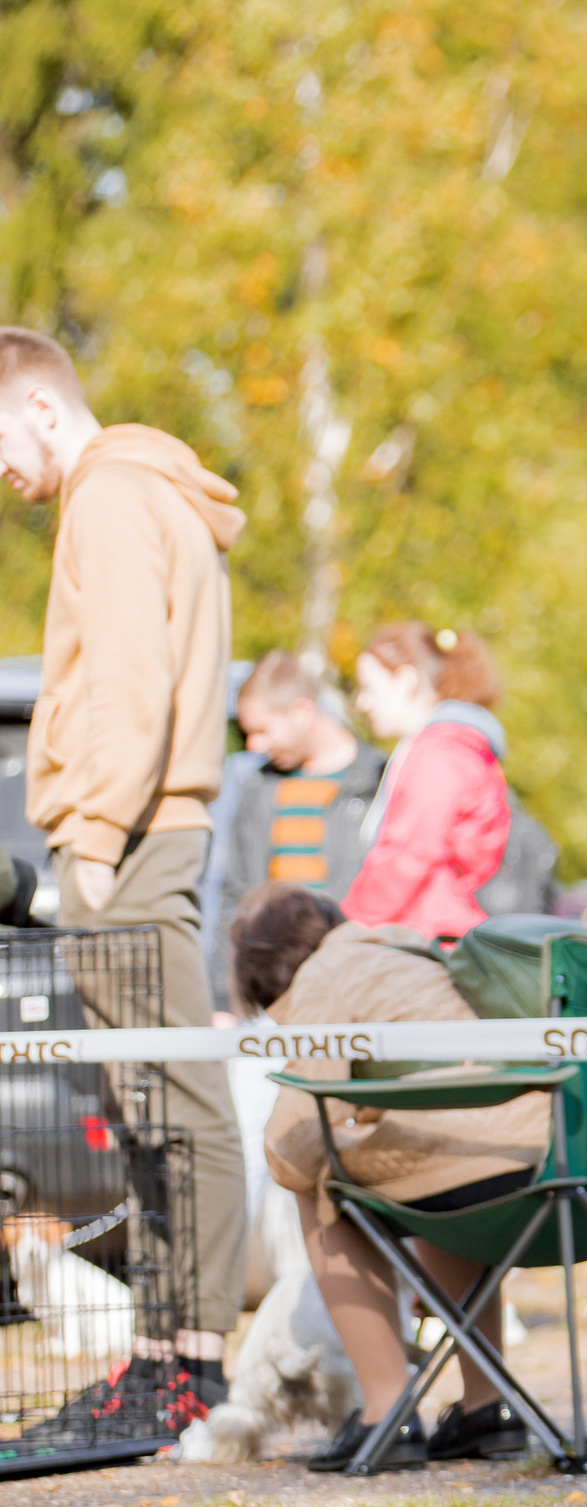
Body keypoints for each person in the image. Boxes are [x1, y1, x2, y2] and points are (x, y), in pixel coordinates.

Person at [0, 326, 246, 1428]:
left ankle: (187, 1370)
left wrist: (94, 835)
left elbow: (130, 683)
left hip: (131, 834)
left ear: (41, 408)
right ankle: (160, 1359)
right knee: (146, 1099)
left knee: (172, 1100)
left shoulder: (109, 495)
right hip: (143, 828)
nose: (2, 474)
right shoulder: (146, 490)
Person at [229, 883, 546, 1470]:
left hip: (465, 1173)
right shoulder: (414, 953)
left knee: (315, 1183)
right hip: (535, 1162)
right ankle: (487, 1403)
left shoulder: (324, 975)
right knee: (432, 1173)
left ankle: (386, 1409)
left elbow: (299, 1132)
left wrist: (288, 1155)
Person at [210, 651, 388, 1014]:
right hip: (273, 992)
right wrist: (224, 1001)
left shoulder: (376, 780)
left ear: (302, 712)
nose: (253, 745)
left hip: (354, 982)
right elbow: (236, 895)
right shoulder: (258, 787)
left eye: (263, 730)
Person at [342, 623, 511, 940]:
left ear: (406, 681)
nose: (362, 703)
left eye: (368, 687)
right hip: (431, 935)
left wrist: (350, 926)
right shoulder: (450, 748)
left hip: (428, 941)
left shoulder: (438, 756)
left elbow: (408, 856)